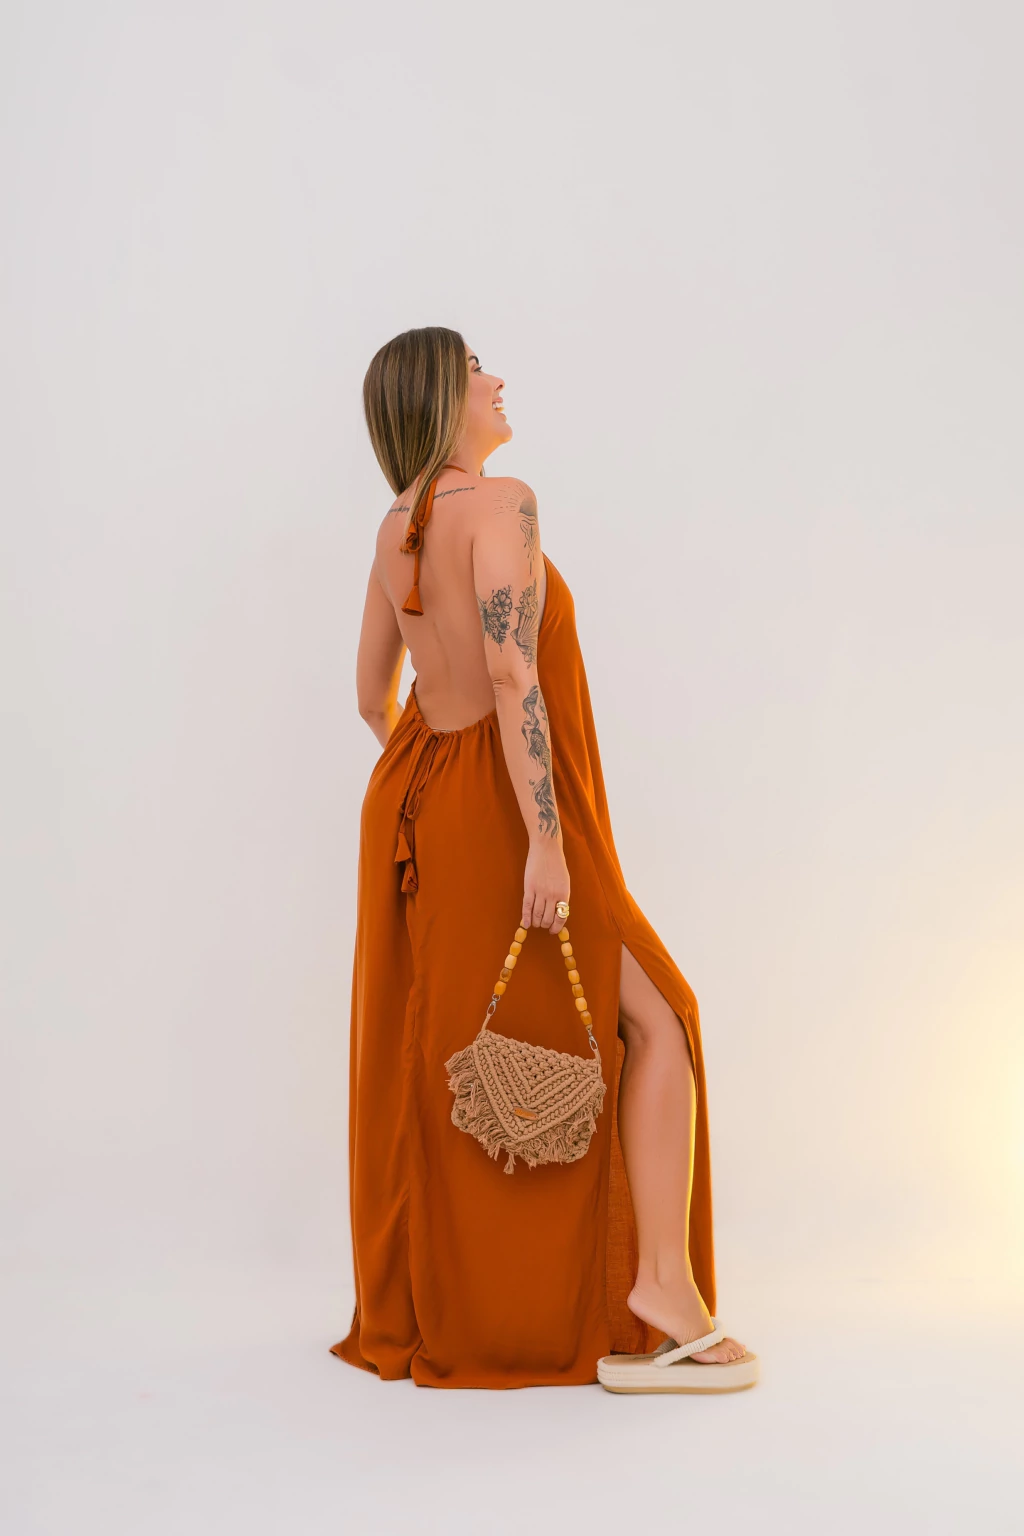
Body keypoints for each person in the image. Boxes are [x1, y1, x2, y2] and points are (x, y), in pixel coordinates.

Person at [330, 326, 757, 1393]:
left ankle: (547, 1300)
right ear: (445, 395)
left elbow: (372, 696)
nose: (497, 380)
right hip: (518, 810)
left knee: (472, 1047)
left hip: (426, 809)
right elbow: (513, 675)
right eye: (478, 367)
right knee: (659, 1019)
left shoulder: (394, 527)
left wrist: (436, 789)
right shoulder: (503, 504)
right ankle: (661, 1291)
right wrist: (544, 842)